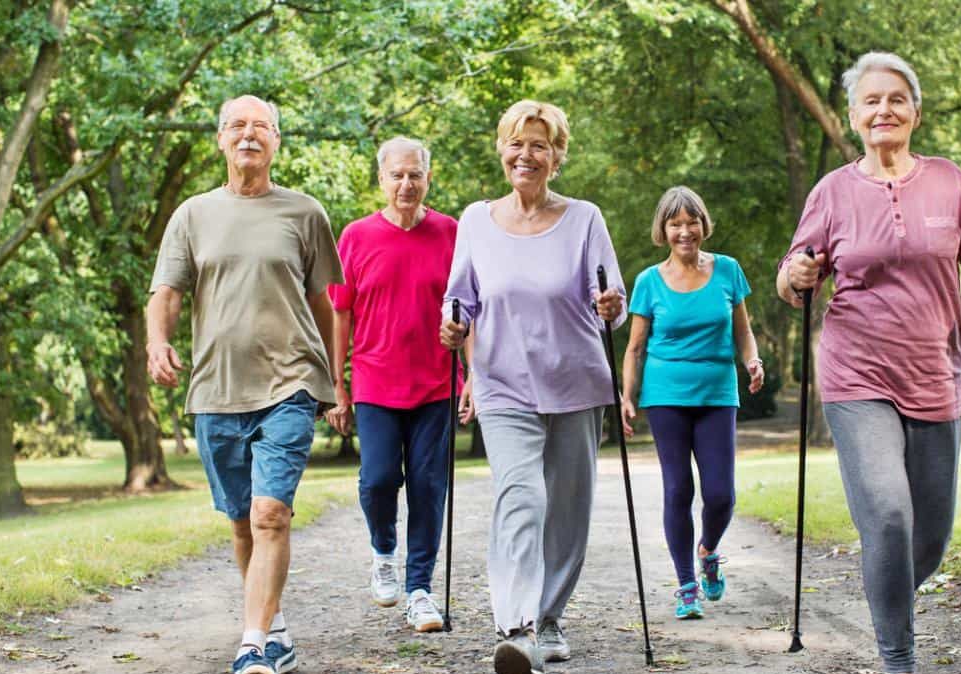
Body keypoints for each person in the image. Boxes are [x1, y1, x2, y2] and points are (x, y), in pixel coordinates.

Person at [777, 52, 961, 674]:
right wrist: (798, 273)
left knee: (929, 539)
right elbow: (793, 282)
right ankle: (898, 656)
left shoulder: (949, 181)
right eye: (871, 100)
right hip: (855, 374)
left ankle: (884, 585)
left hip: (935, 373)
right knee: (889, 513)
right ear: (853, 116)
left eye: (896, 99)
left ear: (915, 113)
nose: (884, 109)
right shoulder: (832, 192)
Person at [146, 95, 342, 674]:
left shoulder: (305, 213)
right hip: (216, 388)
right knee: (240, 519)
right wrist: (157, 343)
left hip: (291, 381)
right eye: (237, 125)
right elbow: (168, 295)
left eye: (262, 126)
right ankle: (274, 623)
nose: (249, 135)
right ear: (221, 139)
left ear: (277, 141)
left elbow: (323, 303)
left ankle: (253, 644)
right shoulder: (192, 214)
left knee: (270, 515)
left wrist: (330, 378)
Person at [439, 100, 626, 674]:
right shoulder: (475, 220)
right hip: (502, 383)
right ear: (502, 150)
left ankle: (549, 618)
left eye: (540, 146)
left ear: (557, 157)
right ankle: (517, 626)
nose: (527, 155)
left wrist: (610, 305)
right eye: (517, 144)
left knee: (568, 509)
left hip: (575, 381)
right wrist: (451, 325)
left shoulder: (585, 219)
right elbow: (460, 299)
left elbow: (612, 304)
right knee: (521, 496)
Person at [324, 137, 459, 633]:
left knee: (428, 485)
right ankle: (384, 550)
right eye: (397, 175)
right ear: (381, 179)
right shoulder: (356, 236)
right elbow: (340, 314)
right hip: (376, 382)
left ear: (428, 178)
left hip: (437, 382)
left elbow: (469, 308)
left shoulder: (451, 233)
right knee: (378, 479)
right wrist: (336, 384)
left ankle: (420, 589)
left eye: (415, 174)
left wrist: (472, 374)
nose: (407, 184)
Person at [620, 186, 764, 620]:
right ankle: (686, 584)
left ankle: (709, 549)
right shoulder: (648, 281)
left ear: (704, 224)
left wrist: (752, 360)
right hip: (666, 396)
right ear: (663, 230)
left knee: (721, 494)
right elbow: (635, 347)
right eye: (675, 223)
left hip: (718, 393)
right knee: (678, 488)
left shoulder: (728, 271)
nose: (685, 231)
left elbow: (742, 331)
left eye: (692, 221)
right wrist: (627, 396)